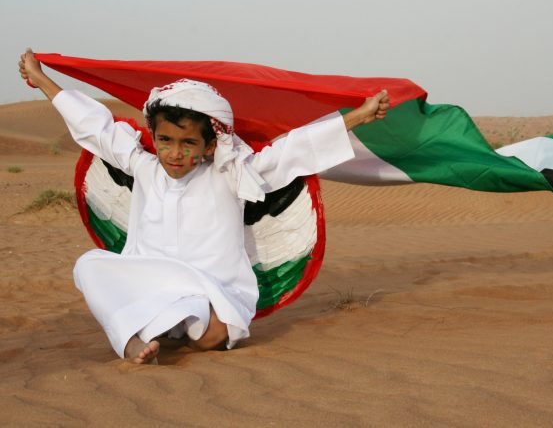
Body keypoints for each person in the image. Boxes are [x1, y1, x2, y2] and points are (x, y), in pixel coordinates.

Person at [18, 48, 390, 364]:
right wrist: (41, 78)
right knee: (88, 265)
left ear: (210, 145)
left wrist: (359, 116)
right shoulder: (143, 166)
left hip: (210, 291)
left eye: (188, 143)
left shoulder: (232, 175)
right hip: (155, 283)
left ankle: (163, 329)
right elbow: (93, 126)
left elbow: (293, 150)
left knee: (209, 337)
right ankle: (130, 343)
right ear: (154, 137)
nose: (174, 153)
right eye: (165, 140)